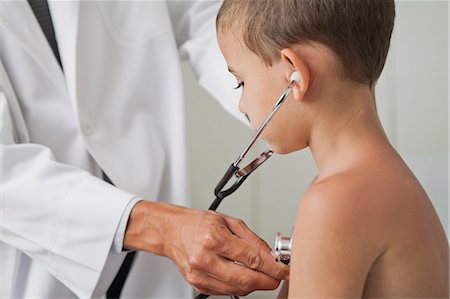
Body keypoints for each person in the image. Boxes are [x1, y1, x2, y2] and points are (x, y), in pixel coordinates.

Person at [0, 1, 289, 298]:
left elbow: (204, 14)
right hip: (30, 268)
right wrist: (157, 227)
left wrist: (269, 95)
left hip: (149, 267)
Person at [216, 0, 449, 297]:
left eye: (241, 83)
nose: (242, 104)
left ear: (294, 75)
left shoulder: (335, 202)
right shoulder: (391, 182)